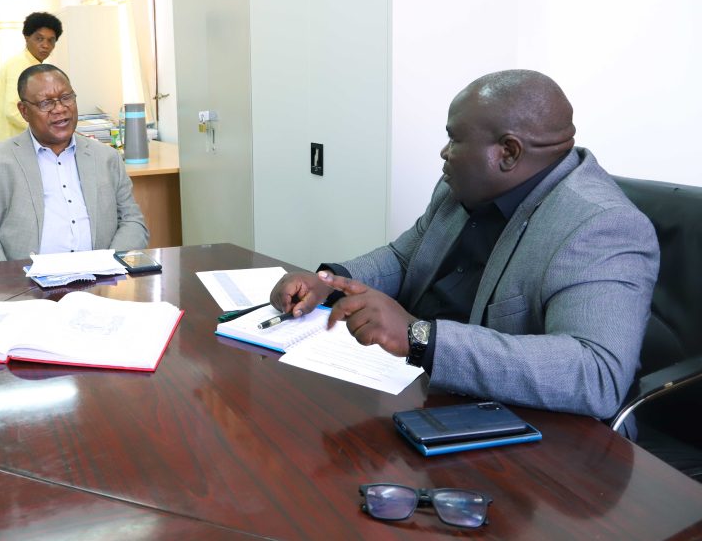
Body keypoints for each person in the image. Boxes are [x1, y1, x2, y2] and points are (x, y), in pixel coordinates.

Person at [270, 70, 659, 432]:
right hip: (420, 387)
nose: (445, 152)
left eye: (455, 139)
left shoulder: (601, 225)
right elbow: (404, 260)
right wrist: (330, 282)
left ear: (508, 152)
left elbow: (596, 374)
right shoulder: (462, 187)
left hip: (534, 433)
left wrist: (421, 337)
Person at [0, 64, 148, 263]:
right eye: (46, 103)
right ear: (24, 111)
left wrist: (111, 264)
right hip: (24, 278)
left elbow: (132, 221)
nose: (60, 109)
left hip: (101, 275)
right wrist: (6, 277)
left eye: (66, 98)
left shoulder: (106, 157)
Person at [0, 11, 63, 152]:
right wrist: (47, 130)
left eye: (51, 40)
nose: (45, 45)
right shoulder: (21, 65)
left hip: (7, 145)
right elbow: (13, 111)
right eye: (39, 39)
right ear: (27, 38)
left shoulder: (33, 66)